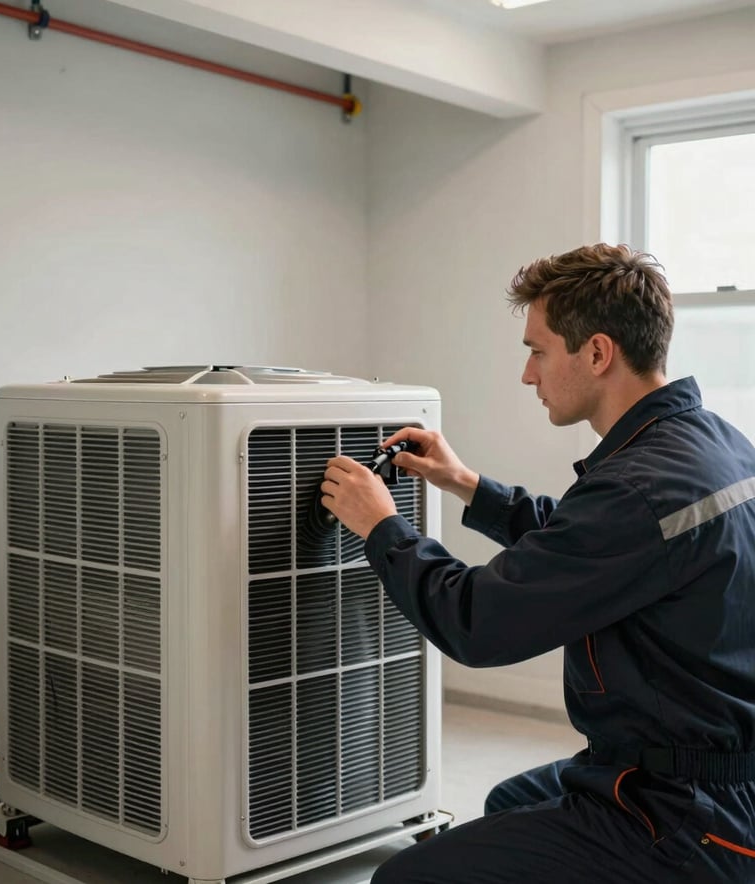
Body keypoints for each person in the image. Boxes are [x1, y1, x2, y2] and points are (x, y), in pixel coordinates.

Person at [321, 243, 755, 883]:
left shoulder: (636, 488)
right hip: (717, 768)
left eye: (538, 350)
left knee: (401, 878)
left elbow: (476, 620)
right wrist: (466, 482)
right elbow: (594, 546)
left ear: (599, 353)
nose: (529, 374)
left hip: (686, 815)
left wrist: (381, 526)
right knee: (510, 803)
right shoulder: (710, 442)